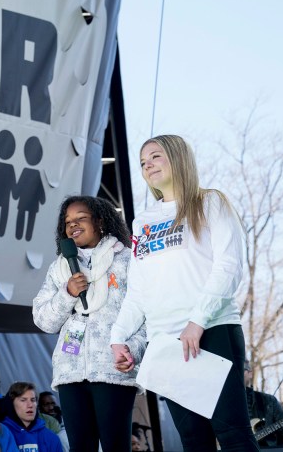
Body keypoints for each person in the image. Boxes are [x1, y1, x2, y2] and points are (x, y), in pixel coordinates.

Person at [110, 135, 258, 452]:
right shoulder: (143, 222)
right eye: (142, 162)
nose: (147, 164)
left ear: (178, 159)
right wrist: (118, 336)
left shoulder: (210, 202)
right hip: (167, 342)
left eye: (155, 156)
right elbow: (138, 290)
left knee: (233, 434)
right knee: (193, 440)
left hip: (212, 330)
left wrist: (197, 321)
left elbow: (229, 266)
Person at [32, 194, 144, 452]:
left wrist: (133, 350)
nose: (72, 225)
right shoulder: (60, 268)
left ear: (100, 221)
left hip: (113, 369)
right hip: (70, 372)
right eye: (68, 221)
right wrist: (67, 293)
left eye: (81, 218)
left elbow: (146, 314)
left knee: (116, 446)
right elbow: (44, 320)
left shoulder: (128, 260)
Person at [244, 360, 283, 447]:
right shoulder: (222, 403)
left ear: (250, 374)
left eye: (241, 370)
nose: (237, 374)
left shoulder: (269, 400)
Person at [1, 383, 60, 452]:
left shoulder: (51, 437)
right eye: (23, 400)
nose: (30, 405)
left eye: (33, 400)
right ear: (11, 404)